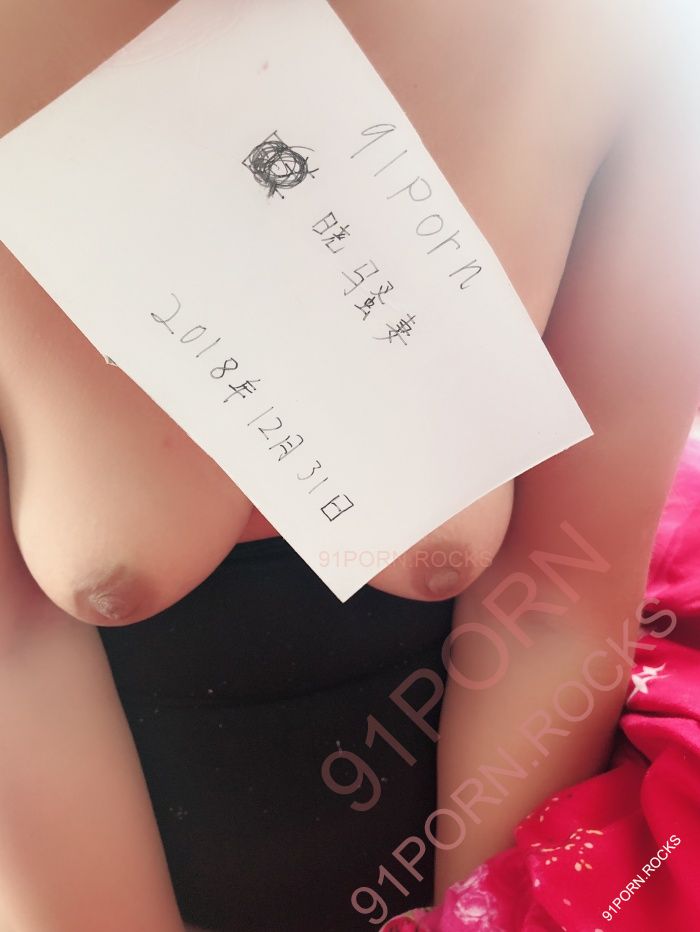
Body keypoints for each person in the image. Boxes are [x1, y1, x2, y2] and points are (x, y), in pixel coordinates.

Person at [0, 1, 697, 930]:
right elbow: (12, 656)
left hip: (493, 856)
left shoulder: (616, 44)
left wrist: (476, 919)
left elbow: (565, 595)